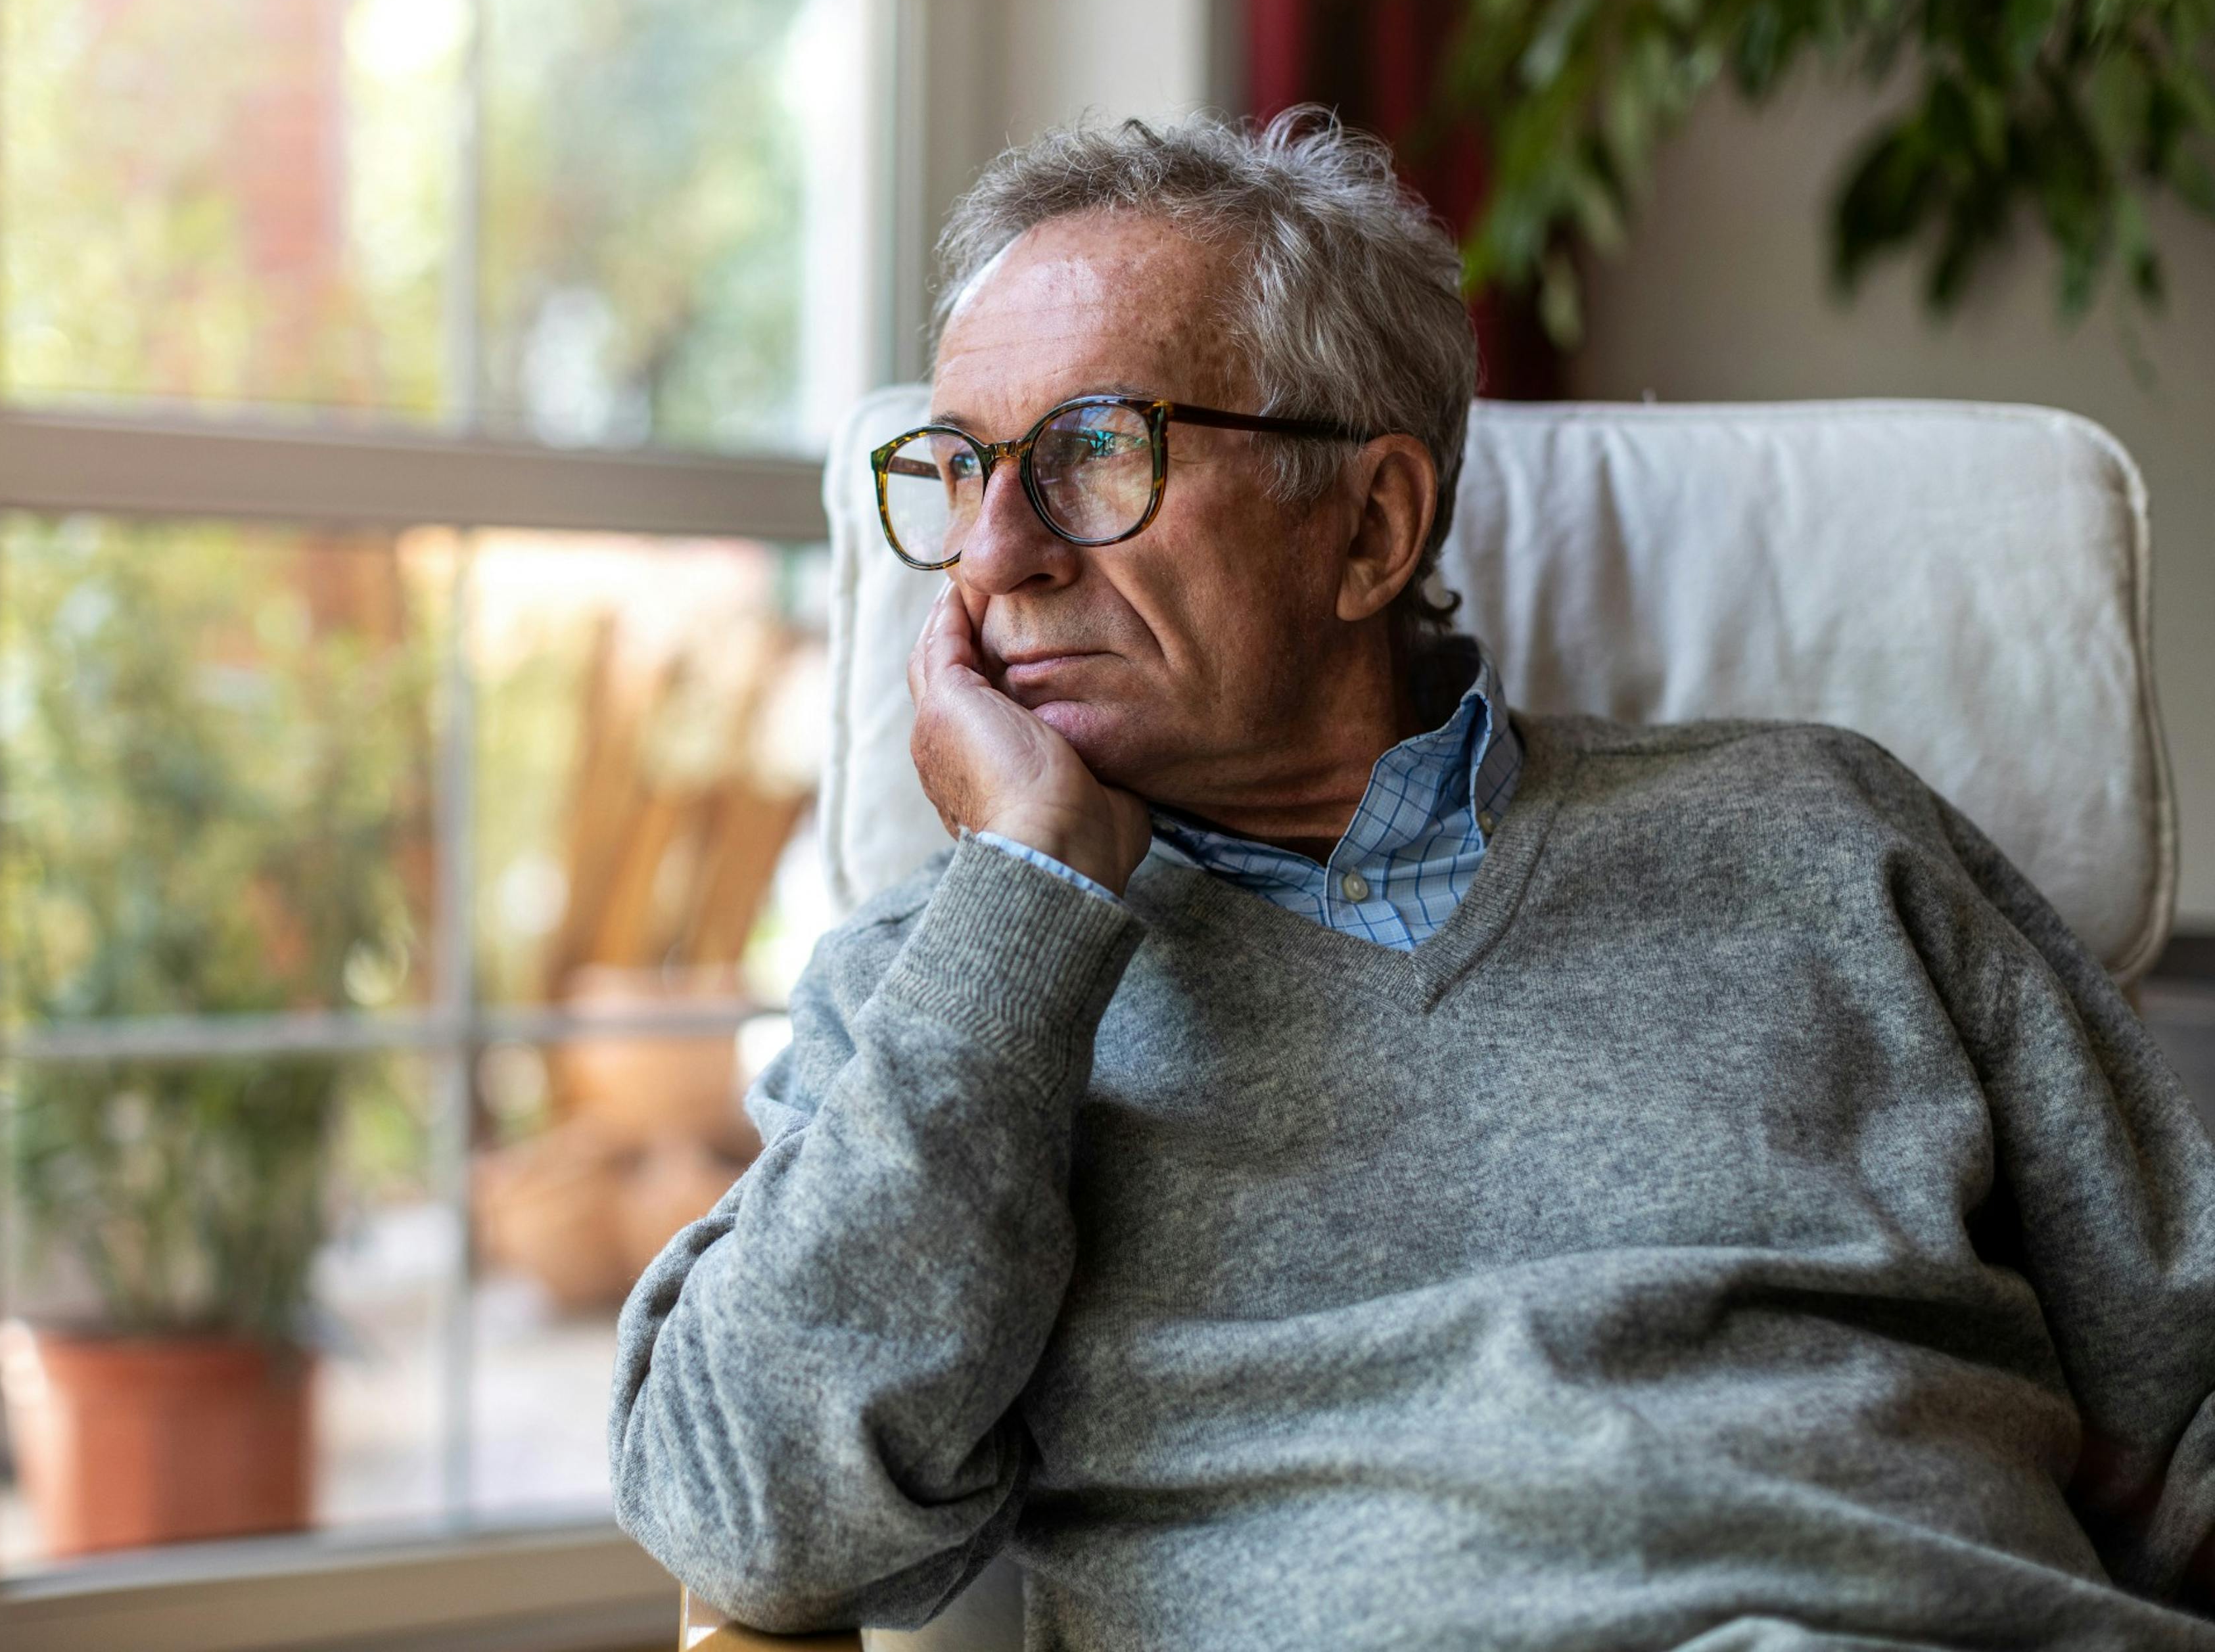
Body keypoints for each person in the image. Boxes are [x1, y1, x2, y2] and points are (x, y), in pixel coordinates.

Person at [608, 110, 2215, 1649]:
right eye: (960, 467)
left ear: (1370, 526)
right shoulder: (947, 992)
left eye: (1096, 450)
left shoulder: (1828, 831)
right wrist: (1027, 896)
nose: (992, 554)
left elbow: (2186, 1379)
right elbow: (754, 1518)